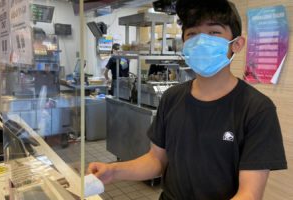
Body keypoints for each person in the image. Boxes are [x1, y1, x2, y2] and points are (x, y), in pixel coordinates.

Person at [88, 1, 287, 199]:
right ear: (184, 45)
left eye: (214, 32)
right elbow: (156, 161)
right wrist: (114, 170)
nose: (201, 41)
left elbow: (249, 194)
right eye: (192, 34)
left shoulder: (257, 109)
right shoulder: (172, 98)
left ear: (237, 44)